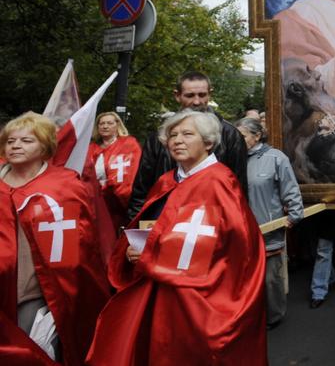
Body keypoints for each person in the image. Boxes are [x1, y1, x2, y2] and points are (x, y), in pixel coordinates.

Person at [87, 110, 266, 365]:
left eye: (187, 134)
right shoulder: (165, 181)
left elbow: (236, 250)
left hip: (199, 296)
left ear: (207, 142)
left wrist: (153, 254)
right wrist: (133, 248)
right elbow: (154, 227)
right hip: (159, 288)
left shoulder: (221, 182)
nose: (177, 140)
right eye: (172, 135)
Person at [0, 112, 109, 365]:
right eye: (11, 141)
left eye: (27, 141)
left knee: (30, 353)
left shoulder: (63, 186)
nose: (16, 146)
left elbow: (77, 248)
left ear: (45, 146)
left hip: (33, 291)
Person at [127, 71, 248, 220]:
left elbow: (239, 191)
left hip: (210, 223)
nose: (197, 102)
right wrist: (137, 228)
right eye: (190, 95)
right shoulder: (158, 137)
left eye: (202, 95)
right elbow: (142, 190)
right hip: (164, 220)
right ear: (177, 95)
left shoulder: (230, 135)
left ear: (210, 94)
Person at [236, 117, 304, 329]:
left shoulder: (276, 158)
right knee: (245, 280)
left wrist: (293, 216)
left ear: (257, 136)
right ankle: (250, 317)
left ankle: (273, 317)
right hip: (241, 233)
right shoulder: (232, 159)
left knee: (270, 280)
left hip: (269, 231)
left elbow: (290, 189)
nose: (238, 140)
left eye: (243, 136)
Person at [88, 111, 142, 231]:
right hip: (98, 200)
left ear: (117, 125)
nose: (105, 126)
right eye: (101, 123)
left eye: (109, 123)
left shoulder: (128, 144)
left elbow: (134, 170)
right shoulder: (91, 148)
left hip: (121, 200)